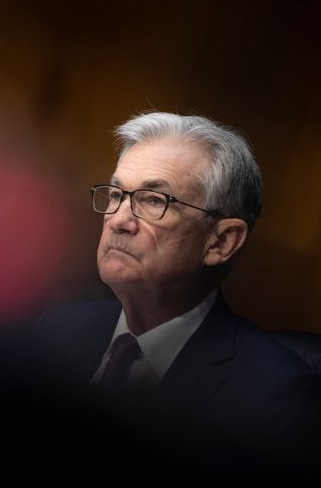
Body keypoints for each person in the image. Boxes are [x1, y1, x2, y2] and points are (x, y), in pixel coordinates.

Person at [36, 111, 320, 475]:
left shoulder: (277, 399)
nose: (119, 220)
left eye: (154, 200)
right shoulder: (57, 330)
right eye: (117, 194)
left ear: (221, 241)